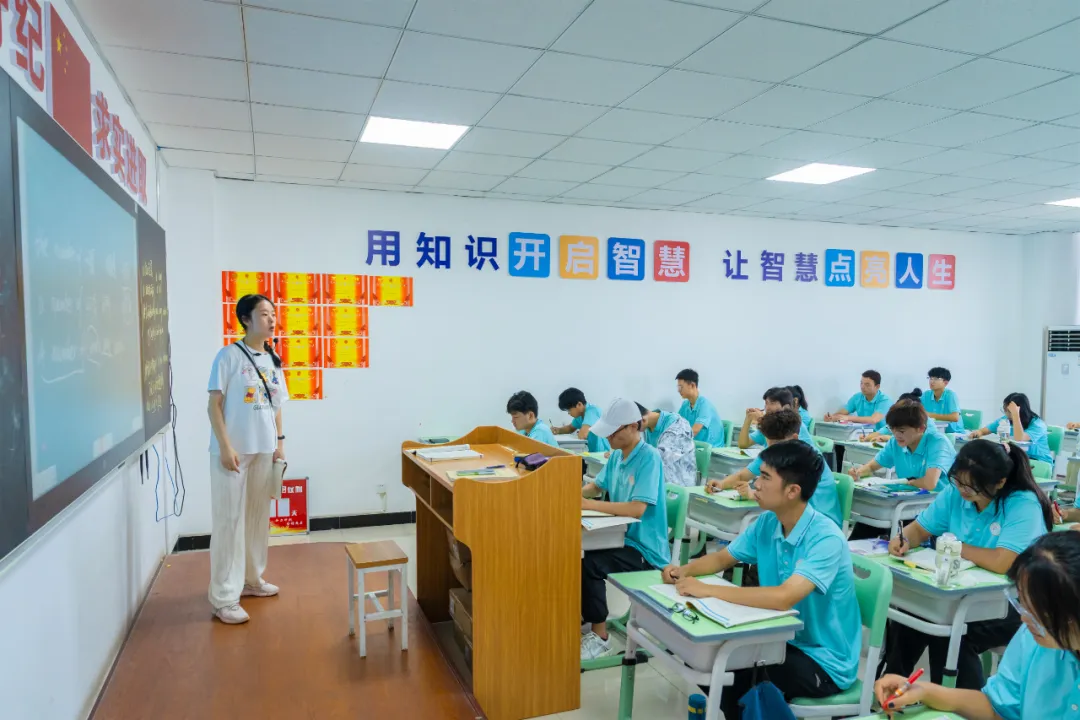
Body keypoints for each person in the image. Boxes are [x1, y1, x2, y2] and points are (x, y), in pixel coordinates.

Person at [663, 441, 860, 718]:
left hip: (824, 660)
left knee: (737, 672)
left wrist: (707, 590)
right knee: (705, 656)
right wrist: (682, 571)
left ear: (792, 491)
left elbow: (783, 598)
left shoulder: (825, 538)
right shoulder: (768, 522)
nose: (755, 483)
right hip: (779, 639)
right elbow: (722, 558)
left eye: (765, 477)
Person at [882, 439, 1053, 690]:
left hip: (1017, 602)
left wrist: (952, 546)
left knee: (952, 631)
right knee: (913, 612)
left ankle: (957, 705)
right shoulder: (956, 492)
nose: (963, 490)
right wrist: (903, 539)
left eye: (972, 487)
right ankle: (890, 689)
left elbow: (1002, 562)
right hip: (962, 593)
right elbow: (919, 529)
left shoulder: (1021, 504)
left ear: (1000, 482)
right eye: (958, 482)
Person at [875, 531, 1078, 718]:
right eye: (1023, 605)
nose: (1024, 619)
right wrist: (924, 691)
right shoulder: (1032, 639)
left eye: (1039, 613)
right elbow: (996, 709)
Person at [207, 294, 289, 625]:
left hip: (264, 450)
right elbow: (214, 406)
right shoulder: (228, 356)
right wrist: (225, 446)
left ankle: (251, 580)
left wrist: (280, 443)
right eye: (264, 314)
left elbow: (276, 406)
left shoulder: (273, 359)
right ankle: (224, 597)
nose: (271, 320)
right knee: (229, 523)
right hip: (233, 454)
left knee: (256, 519)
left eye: (273, 314)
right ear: (246, 319)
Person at [580, 399, 670, 660]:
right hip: (619, 538)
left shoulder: (649, 458)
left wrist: (589, 505)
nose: (608, 437)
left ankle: (600, 637)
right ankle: (587, 616)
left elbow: (637, 509)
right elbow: (596, 487)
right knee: (574, 553)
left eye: (613, 432)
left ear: (633, 426)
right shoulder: (618, 456)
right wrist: (571, 495)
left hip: (644, 549)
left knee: (590, 564)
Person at [708, 409, 842, 527]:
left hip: (819, 522)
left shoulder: (807, 459)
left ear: (794, 438)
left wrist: (751, 494)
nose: (772, 448)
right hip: (795, 516)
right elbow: (743, 475)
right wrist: (721, 484)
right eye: (768, 442)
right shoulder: (774, 451)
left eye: (776, 442)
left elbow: (788, 498)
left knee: (754, 521)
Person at [848, 399, 955, 492]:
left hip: (940, 500)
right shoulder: (895, 443)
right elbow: (871, 467)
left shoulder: (938, 442)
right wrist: (858, 472)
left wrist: (905, 483)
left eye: (902, 431)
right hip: (911, 499)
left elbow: (930, 484)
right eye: (892, 430)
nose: (896, 435)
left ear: (921, 428)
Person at [968, 392, 1053, 464]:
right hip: (1017, 459)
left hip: (1038, 461)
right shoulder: (1005, 419)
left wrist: (1015, 414)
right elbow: (984, 430)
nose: (1006, 413)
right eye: (1004, 410)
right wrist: (977, 433)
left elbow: (1020, 438)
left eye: (1008, 411)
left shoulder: (1037, 424)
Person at [639, 403, 697, 488]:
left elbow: (660, 459)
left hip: (678, 485)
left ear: (643, 420)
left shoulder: (678, 426)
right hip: (657, 481)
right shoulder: (647, 426)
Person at [738, 387, 815, 449]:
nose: (767, 408)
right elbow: (743, 444)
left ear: (786, 407)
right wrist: (748, 419)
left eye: (772, 403)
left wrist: (762, 420)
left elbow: (778, 450)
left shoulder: (794, 425)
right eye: (766, 403)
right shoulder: (769, 425)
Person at [825, 369, 891, 431]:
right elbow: (842, 413)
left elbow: (873, 420)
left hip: (882, 436)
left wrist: (847, 418)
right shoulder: (857, 397)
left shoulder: (885, 400)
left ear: (877, 386)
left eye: (867, 384)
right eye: (861, 383)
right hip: (863, 434)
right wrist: (831, 417)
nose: (862, 387)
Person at [676, 368, 725, 447]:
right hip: (696, 447)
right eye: (678, 387)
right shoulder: (685, 405)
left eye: (681, 387)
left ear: (692, 385)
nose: (678, 390)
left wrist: (675, 441)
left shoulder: (704, 405)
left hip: (712, 449)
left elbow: (695, 431)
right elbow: (677, 425)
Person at [553, 387, 610, 453]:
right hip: (591, 452)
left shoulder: (592, 411)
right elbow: (570, 428)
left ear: (579, 405)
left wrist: (581, 432)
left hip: (602, 453)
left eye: (569, 410)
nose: (568, 413)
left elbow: (583, 435)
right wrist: (558, 430)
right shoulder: (580, 415)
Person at [923, 367, 963, 434]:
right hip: (934, 431)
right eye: (930, 378)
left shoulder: (950, 395)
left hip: (953, 433)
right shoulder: (925, 395)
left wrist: (930, 415)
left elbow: (955, 417)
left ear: (945, 382)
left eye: (936, 379)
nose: (931, 381)